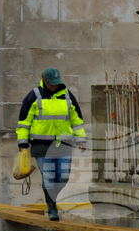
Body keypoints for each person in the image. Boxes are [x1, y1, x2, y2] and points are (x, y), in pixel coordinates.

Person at [16, 68, 87, 221]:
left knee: (63, 177)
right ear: (45, 81)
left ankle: (52, 198)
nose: (54, 86)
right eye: (51, 83)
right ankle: (52, 206)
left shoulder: (67, 95)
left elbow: (77, 120)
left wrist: (81, 139)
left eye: (57, 83)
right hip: (41, 146)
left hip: (64, 144)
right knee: (49, 178)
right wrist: (23, 143)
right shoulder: (34, 96)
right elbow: (24, 122)